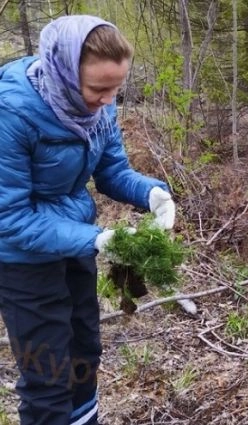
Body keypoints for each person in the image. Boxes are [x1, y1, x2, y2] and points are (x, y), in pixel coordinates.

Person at [0, 15, 176, 425]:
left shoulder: (97, 110)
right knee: (47, 374)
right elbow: (10, 217)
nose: (107, 99)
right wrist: (99, 238)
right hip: (21, 261)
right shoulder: (11, 115)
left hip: (74, 244)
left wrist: (152, 192)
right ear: (63, 73)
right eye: (98, 88)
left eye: (116, 88)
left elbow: (112, 172)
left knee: (84, 353)